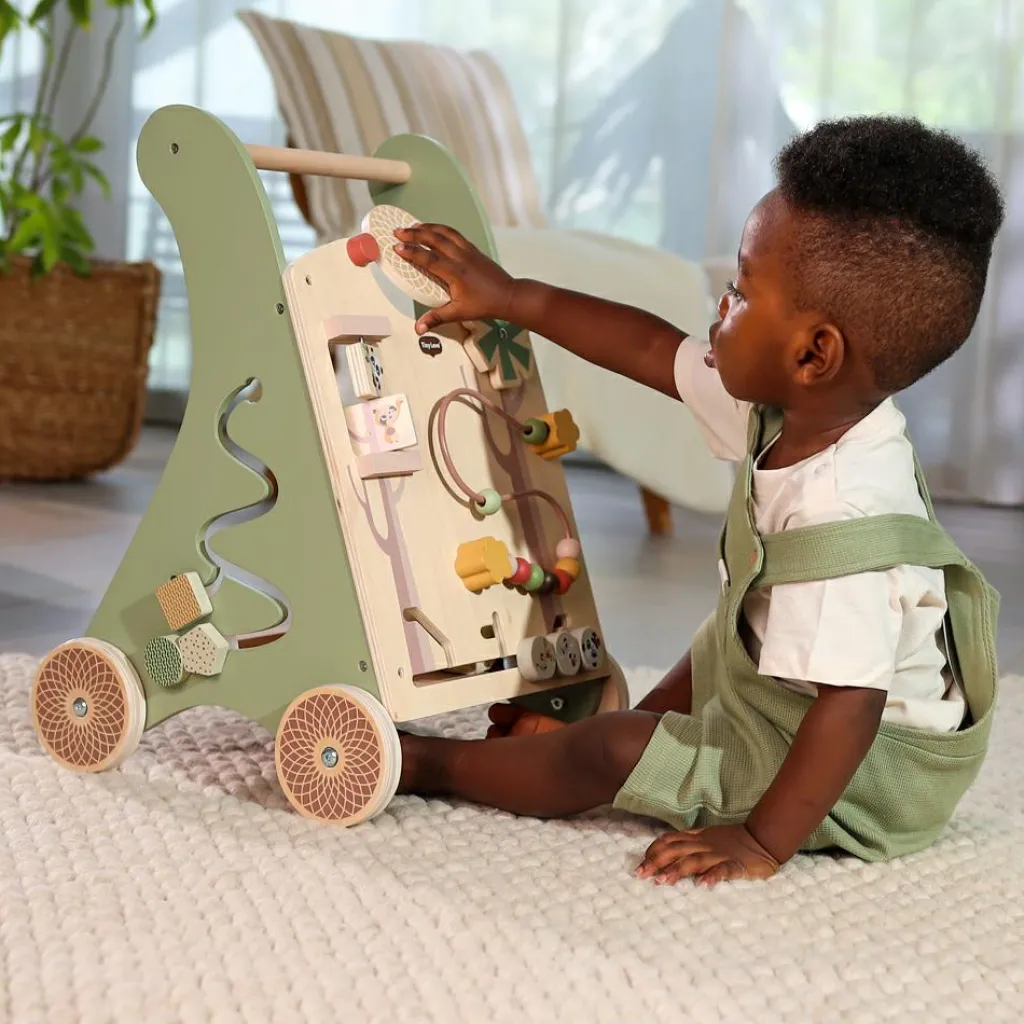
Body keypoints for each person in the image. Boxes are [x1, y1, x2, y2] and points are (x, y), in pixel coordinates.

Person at [391, 115, 1004, 887]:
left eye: (740, 291)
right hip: (788, 703)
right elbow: (648, 347)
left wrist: (760, 842)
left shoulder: (844, 512)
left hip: (860, 776)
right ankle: (646, 730)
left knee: (613, 752)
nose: (721, 305)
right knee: (724, 633)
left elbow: (850, 709)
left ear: (814, 353)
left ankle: (431, 765)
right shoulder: (801, 408)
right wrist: (512, 296)